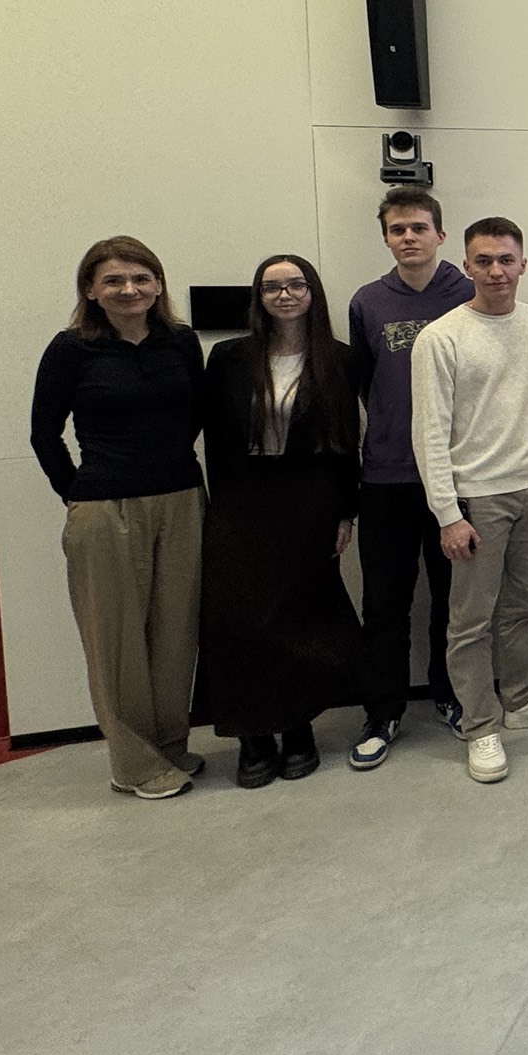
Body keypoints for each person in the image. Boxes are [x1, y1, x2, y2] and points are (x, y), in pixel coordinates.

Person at [30, 236, 206, 800]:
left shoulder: (181, 341)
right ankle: (134, 764)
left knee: (176, 631)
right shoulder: (71, 349)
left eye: (140, 278)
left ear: (158, 285)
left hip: (181, 498)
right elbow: (44, 434)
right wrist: (78, 495)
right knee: (116, 638)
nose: (129, 289)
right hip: (105, 508)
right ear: (90, 290)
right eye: (113, 280)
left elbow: (194, 416)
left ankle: (170, 747)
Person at [412, 216, 528, 785]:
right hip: (477, 500)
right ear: (466, 266)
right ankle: (481, 724)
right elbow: (429, 433)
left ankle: (524, 698)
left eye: (506, 260)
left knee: (526, 604)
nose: (496, 271)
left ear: (522, 264)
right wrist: (448, 514)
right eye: (483, 261)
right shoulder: (440, 338)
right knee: (470, 620)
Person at [197, 255, 363, 788]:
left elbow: (346, 442)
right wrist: (215, 505)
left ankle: (296, 729)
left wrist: (346, 511)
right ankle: (251, 736)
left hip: (309, 500)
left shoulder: (337, 359)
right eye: (273, 287)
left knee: (299, 617)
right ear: (259, 297)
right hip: (241, 501)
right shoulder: (228, 357)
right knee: (235, 618)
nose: (285, 295)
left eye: (296, 285)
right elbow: (214, 439)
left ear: (312, 293)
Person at [346, 190, 473, 771]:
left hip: (457, 476)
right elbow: (365, 383)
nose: (408, 237)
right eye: (397, 229)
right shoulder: (368, 302)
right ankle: (383, 711)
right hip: (388, 475)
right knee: (385, 602)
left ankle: (451, 695)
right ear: (386, 238)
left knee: (454, 600)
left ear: (440, 235)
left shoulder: (468, 293)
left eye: (419, 227)